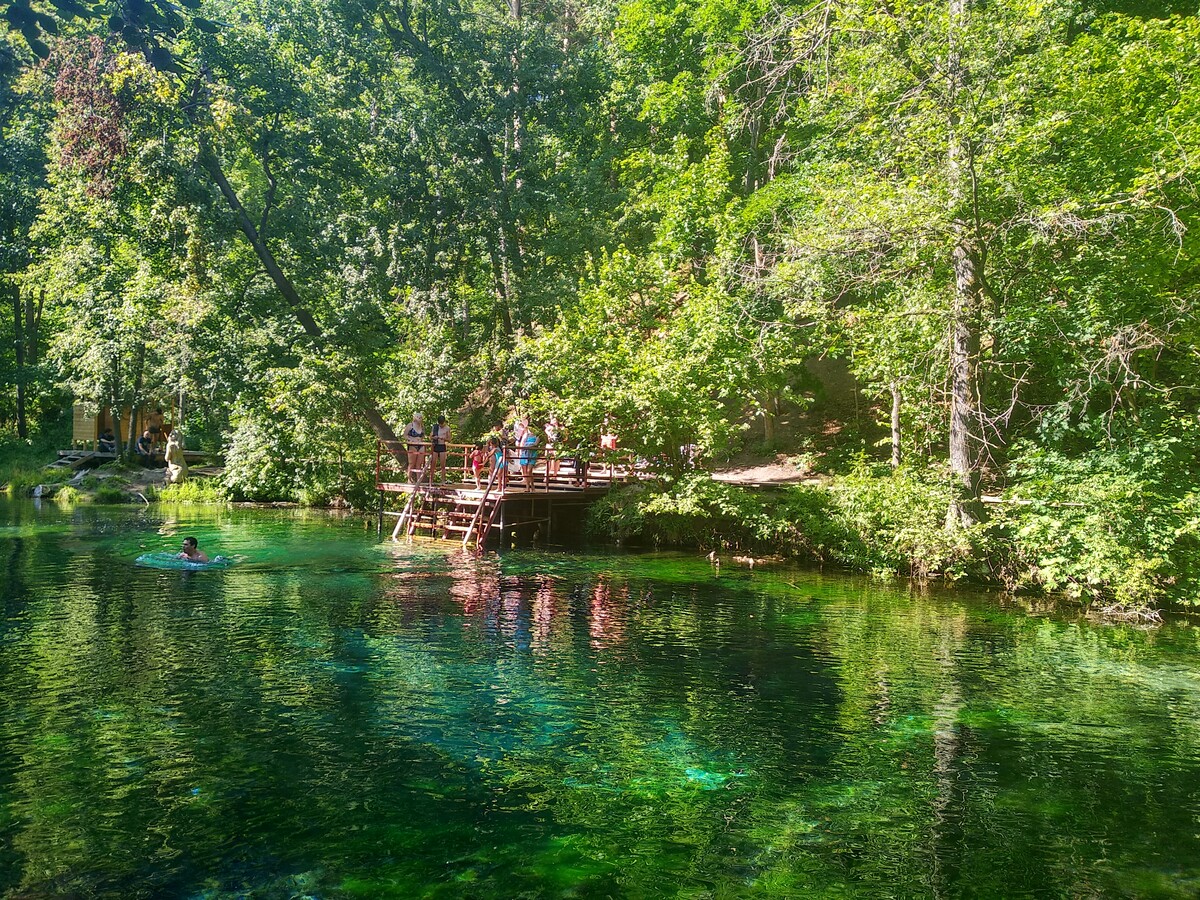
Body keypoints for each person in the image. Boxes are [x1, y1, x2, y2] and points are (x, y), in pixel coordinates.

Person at [517, 418, 539, 490]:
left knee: (529, 471)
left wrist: (528, 446)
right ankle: (527, 487)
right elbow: (522, 444)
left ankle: (532, 485)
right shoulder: (526, 434)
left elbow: (536, 444)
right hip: (525, 453)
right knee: (526, 472)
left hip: (532, 454)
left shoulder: (537, 436)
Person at [404, 413, 426, 483]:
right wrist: (412, 439)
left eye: (420, 417)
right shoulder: (410, 425)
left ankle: (419, 480)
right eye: (418, 417)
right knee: (411, 463)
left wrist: (420, 439)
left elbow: (423, 435)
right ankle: (409, 479)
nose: (419, 418)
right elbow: (405, 435)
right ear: (414, 417)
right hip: (412, 445)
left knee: (419, 464)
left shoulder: (422, 426)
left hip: (420, 444)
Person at [430, 415, 451, 482]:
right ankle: (431, 480)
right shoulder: (435, 427)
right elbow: (430, 437)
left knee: (443, 465)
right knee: (433, 464)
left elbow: (449, 439)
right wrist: (434, 437)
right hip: (435, 445)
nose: (441, 425)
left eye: (442, 424)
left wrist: (444, 439)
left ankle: (443, 481)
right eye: (440, 424)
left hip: (442, 446)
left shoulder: (447, 428)